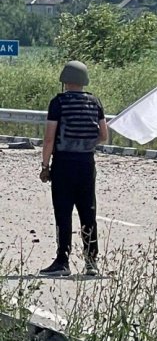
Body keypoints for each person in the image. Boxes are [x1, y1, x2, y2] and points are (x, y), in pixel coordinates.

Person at [39, 60, 109, 277]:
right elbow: (104, 136)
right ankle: (91, 262)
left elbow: (49, 138)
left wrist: (45, 165)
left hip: (64, 164)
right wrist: (86, 145)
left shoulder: (58, 103)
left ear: (65, 81)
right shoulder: (94, 102)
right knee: (88, 213)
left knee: (63, 212)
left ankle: (62, 261)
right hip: (87, 164)